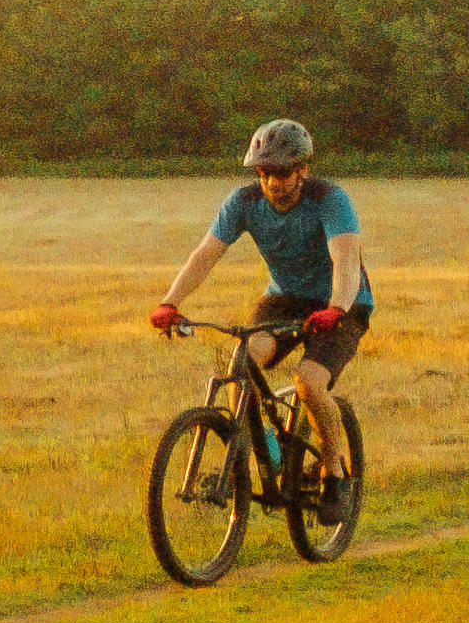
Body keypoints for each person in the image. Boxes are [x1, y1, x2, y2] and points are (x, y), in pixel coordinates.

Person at [149, 117, 369, 479]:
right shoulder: (244, 201)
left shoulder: (329, 199)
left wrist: (338, 307)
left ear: (303, 170)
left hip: (342, 302)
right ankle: (267, 448)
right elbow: (206, 254)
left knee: (309, 383)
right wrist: (170, 302)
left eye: (282, 174)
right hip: (283, 299)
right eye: (264, 173)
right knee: (241, 364)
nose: (272, 183)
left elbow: (345, 260)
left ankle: (333, 469)